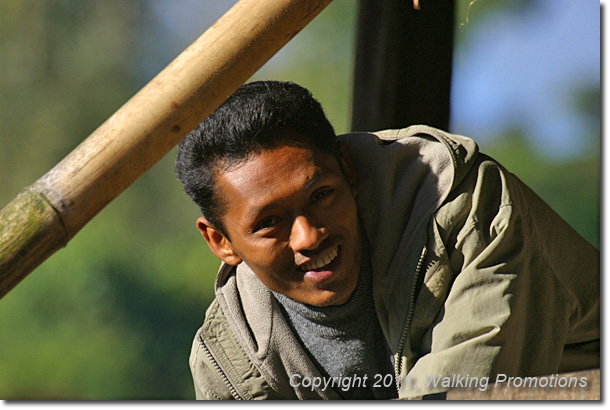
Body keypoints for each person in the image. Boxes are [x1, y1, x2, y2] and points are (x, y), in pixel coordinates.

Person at [175, 80, 599, 400]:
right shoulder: (230, 357)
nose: (308, 237)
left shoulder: (463, 209)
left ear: (348, 170)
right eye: (269, 223)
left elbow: (462, 394)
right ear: (220, 241)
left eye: (321, 196)